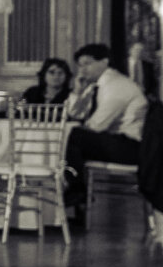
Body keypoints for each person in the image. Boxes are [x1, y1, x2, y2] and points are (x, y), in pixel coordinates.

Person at [60, 42, 149, 222]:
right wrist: (77, 91)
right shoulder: (95, 86)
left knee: (73, 137)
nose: (83, 69)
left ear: (105, 62)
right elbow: (73, 113)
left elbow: (97, 126)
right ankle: (76, 198)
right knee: (70, 140)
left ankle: (76, 191)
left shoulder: (117, 86)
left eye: (88, 63)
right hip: (116, 142)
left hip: (131, 147)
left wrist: (77, 127)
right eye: (80, 65)